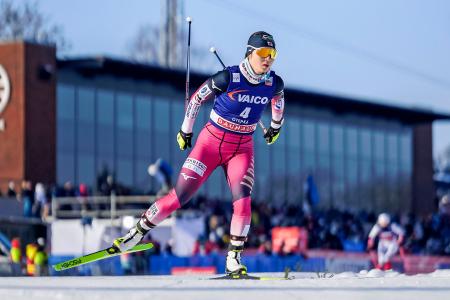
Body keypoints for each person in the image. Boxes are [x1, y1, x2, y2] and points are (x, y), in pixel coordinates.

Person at [113, 31, 285, 275]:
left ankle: (233, 258)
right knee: (179, 196)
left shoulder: (273, 83)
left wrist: (275, 126)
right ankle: (137, 232)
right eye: (264, 53)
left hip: (242, 148)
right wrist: (186, 132)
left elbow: (279, 100)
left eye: (273, 54)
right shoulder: (228, 77)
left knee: (244, 202)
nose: (268, 59)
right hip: (210, 144)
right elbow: (196, 100)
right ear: (250, 52)